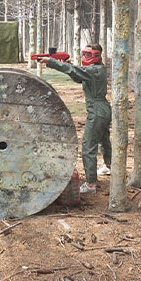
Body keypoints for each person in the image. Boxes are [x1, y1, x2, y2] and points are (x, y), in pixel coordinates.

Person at [39, 43, 111, 194]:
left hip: (97, 110)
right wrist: (69, 65)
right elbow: (78, 75)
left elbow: (77, 71)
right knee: (104, 140)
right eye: (84, 54)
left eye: (89, 55)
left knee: (88, 146)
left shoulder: (94, 70)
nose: (85, 57)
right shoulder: (98, 69)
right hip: (103, 108)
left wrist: (51, 62)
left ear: (97, 56)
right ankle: (110, 166)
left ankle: (91, 184)